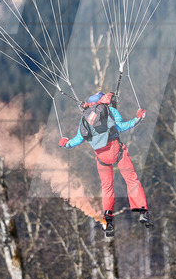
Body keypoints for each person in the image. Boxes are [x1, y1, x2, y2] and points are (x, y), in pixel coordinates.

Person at [60, 91, 153, 237]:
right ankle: (143, 211)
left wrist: (66, 144)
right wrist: (138, 118)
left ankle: (108, 221)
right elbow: (122, 127)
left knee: (107, 188)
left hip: (101, 157)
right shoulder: (110, 110)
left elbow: (78, 139)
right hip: (118, 151)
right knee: (132, 180)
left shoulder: (84, 118)